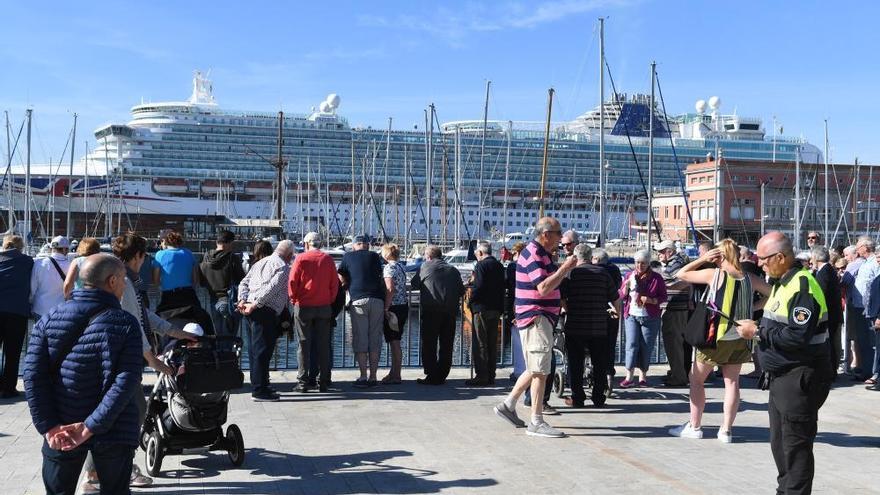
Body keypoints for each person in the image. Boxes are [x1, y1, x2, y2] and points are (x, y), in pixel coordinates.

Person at [23, 254, 143, 495]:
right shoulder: (125, 323)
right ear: (112, 281)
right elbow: (126, 380)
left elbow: (33, 376)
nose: (124, 286)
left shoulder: (48, 318)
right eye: (122, 280)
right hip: (114, 426)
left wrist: (49, 426)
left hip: (61, 425)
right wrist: (90, 427)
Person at [735, 232, 832, 494]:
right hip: (781, 376)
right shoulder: (781, 283)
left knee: (795, 448)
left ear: (780, 257)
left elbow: (798, 336)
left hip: (799, 376)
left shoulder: (802, 286)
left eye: (764, 259)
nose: (760, 264)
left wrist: (756, 332)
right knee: (780, 445)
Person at [669, 239, 770, 443]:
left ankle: (695, 426)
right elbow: (773, 294)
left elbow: (679, 274)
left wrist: (702, 259)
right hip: (741, 338)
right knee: (732, 382)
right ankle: (726, 430)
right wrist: (753, 308)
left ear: (719, 256)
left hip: (716, 337)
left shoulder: (715, 275)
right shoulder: (750, 278)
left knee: (696, 379)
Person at [494, 217, 577, 438]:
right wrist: (565, 268)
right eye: (558, 233)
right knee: (541, 370)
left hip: (540, 317)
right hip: (536, 317)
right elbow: (542, 287)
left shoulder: (541, 254)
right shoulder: (533, 254)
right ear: (545, 234)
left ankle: (508, 405)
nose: (561, 238)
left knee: (535, 367)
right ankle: (536, 421)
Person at [560, 243, 618, 407]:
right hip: (599, 326)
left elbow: (562, 298)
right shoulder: (603, 273)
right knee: (599, 363)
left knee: (575, 363)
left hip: (576, 325)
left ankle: (577, 398)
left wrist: (568, 310)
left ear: (576, 257)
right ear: (590, 256)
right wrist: (616, 314)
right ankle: (598, 398)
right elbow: (615, 298)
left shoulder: (571, 274)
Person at [238, 240, 294, 401]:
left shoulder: (260, 262)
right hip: (264, 311)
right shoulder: (283, 267)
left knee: (255, 351)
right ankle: (259, 390)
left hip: (250, 310)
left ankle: (261, 385)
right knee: (263, 351)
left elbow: (244, 283)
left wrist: (242, 300)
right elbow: (271, 289)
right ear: (289, 255)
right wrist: (255, 305)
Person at [288, 232, 339, 392]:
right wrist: (329, 299)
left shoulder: (301, 259)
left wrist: (293, 299)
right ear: (321, 244)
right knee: (323, 345)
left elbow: (292, 281)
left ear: (306, 244)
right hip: (324, 307)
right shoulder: (328, 259)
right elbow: (334, 284)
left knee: (303, 344)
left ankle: (303, 382)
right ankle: (323, 381)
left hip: (304, 306)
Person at [411, 245, 465, 385]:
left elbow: (414, 284)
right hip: (450, 312)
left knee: (429, 344)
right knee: (447, 344)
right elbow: (461, 290)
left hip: (431, 311)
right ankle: (442, 374)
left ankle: (431, 374)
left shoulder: (425, 267)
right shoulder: (453, 270)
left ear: (428, 257)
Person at [338, 235, 386, 387]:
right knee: (375, 339)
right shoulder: (375, 256)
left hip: (358, 300)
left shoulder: (348, 256)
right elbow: (380, 275)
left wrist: (346, 285)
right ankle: (373, 377)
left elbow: (341, 276)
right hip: (377, 300)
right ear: (367, 245)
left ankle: (363, 376)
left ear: (354, 245)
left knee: (360, 339)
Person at [618, 249, 667, 388]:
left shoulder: (656, 278)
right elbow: (621, 296)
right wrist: (625, 288)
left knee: (646, 346)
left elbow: (663, 297)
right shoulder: (629, 275)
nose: (640, 266)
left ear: (648, 263)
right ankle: (629, 376)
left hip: (650, 317)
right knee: (631, 345)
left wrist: (651, 300)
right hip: (632, 315)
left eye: (644, 263)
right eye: (638, 263)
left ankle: (643, 376)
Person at [153, 230, 213, 335]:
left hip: (169, 297)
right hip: (189, 295)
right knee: (202, 317)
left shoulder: (160, 255)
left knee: (158, 321)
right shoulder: (189, 253)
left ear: (165, 242)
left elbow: (155, 280)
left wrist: (161, 287)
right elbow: (195, 280)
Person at [466, 242, 505, 386]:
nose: (476, 257)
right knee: (492, 343)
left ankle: (481, 375)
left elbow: (479, 286)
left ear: (481, 253)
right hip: (496, 308)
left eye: (477, 254)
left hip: (482, 308)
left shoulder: (481, 265)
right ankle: (491, 375)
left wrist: (471, 300)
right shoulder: (499, 266)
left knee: (480, 342)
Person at [655, 239, 692, 387]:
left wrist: (664, 286)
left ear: (669, 252)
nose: (658, 254)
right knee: (677, 344)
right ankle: (678, 373)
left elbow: (685, 281)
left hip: (674, 309)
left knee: (673, 344)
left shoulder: (675, 264)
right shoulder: (679, 262)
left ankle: (678, 377)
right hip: (678, 308)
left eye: (661, 251)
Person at [0, 235, 33, 398]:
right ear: (21, 247)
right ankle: (8, 388)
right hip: (17, 312)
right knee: (12, 353)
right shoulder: (27, 262)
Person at [200, 230, 245, 337]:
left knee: (218, 338)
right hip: (229, 301)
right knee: (229, 339)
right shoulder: (232, 258)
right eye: (232, 243)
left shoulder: (205, 258)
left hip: (213, 301)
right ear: (228, 243)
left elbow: (202, 282)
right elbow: (242, 280)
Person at [592, 247, 622, 397]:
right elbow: (617, 291)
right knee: (610, 346)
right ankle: (609, 372)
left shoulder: (595, 271)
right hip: (612, 313)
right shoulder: (615, 270)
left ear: (596, 260)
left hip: (595, 313)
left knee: (595, 347)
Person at [811, 246, 843, 380]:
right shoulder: (826, 270)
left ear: (816, 257)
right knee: (831, 343)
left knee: (831, 344)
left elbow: (821, 294)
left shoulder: (825, 272)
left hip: (830, 315)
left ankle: (831, 371)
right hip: (833, 314)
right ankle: (831, 370)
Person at [381, 243, 408, 384]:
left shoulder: (389, 268)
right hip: (403, 305)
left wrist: (385, 308)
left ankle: (396, 375)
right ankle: (393, 372)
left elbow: (390, 289)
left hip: (394, 308)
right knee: (395, 340)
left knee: (394, 341)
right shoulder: (401, 266)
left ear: (386, 254)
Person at [852, 236, 878, 382]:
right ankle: (866, 369)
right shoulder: (865, 263)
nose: (856, 249)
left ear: (866, 247)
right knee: (862, 341)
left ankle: (870, 372)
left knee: (869, 342)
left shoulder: (875, 263)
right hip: (859, 307)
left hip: (868, 309)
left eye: (858, 246)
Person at [30, 236, 72, 320]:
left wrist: (30, 302)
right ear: (65, 249)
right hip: (61, 310)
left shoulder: (39, 263)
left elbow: (33, 287)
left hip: (40, 308)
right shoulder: (71, 266)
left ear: (52, 248)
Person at [506, 242, 526, 379]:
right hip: (528, 306)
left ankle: (519, 370)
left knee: (518, 341)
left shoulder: (513, 266)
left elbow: (509, 284)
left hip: (516, 305)